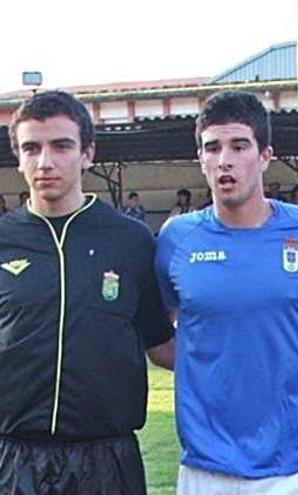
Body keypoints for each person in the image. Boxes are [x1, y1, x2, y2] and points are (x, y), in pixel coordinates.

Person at [155, 90, 298, 495]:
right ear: (201, 158)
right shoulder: (176, 239)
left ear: (265, 155)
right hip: (205, 466)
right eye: (212, 148)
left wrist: (294, 309)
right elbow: (158, 336)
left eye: (239, 146)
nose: (224, 160)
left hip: (295, 466)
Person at [0, 90, 175, 494]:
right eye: (32, 148)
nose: (45, 161)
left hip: (106, 459)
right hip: (12, 458)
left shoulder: (131, 241)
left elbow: (160, 342)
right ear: (19, 157)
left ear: (87, 153)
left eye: (61, 146)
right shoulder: (5, 238)